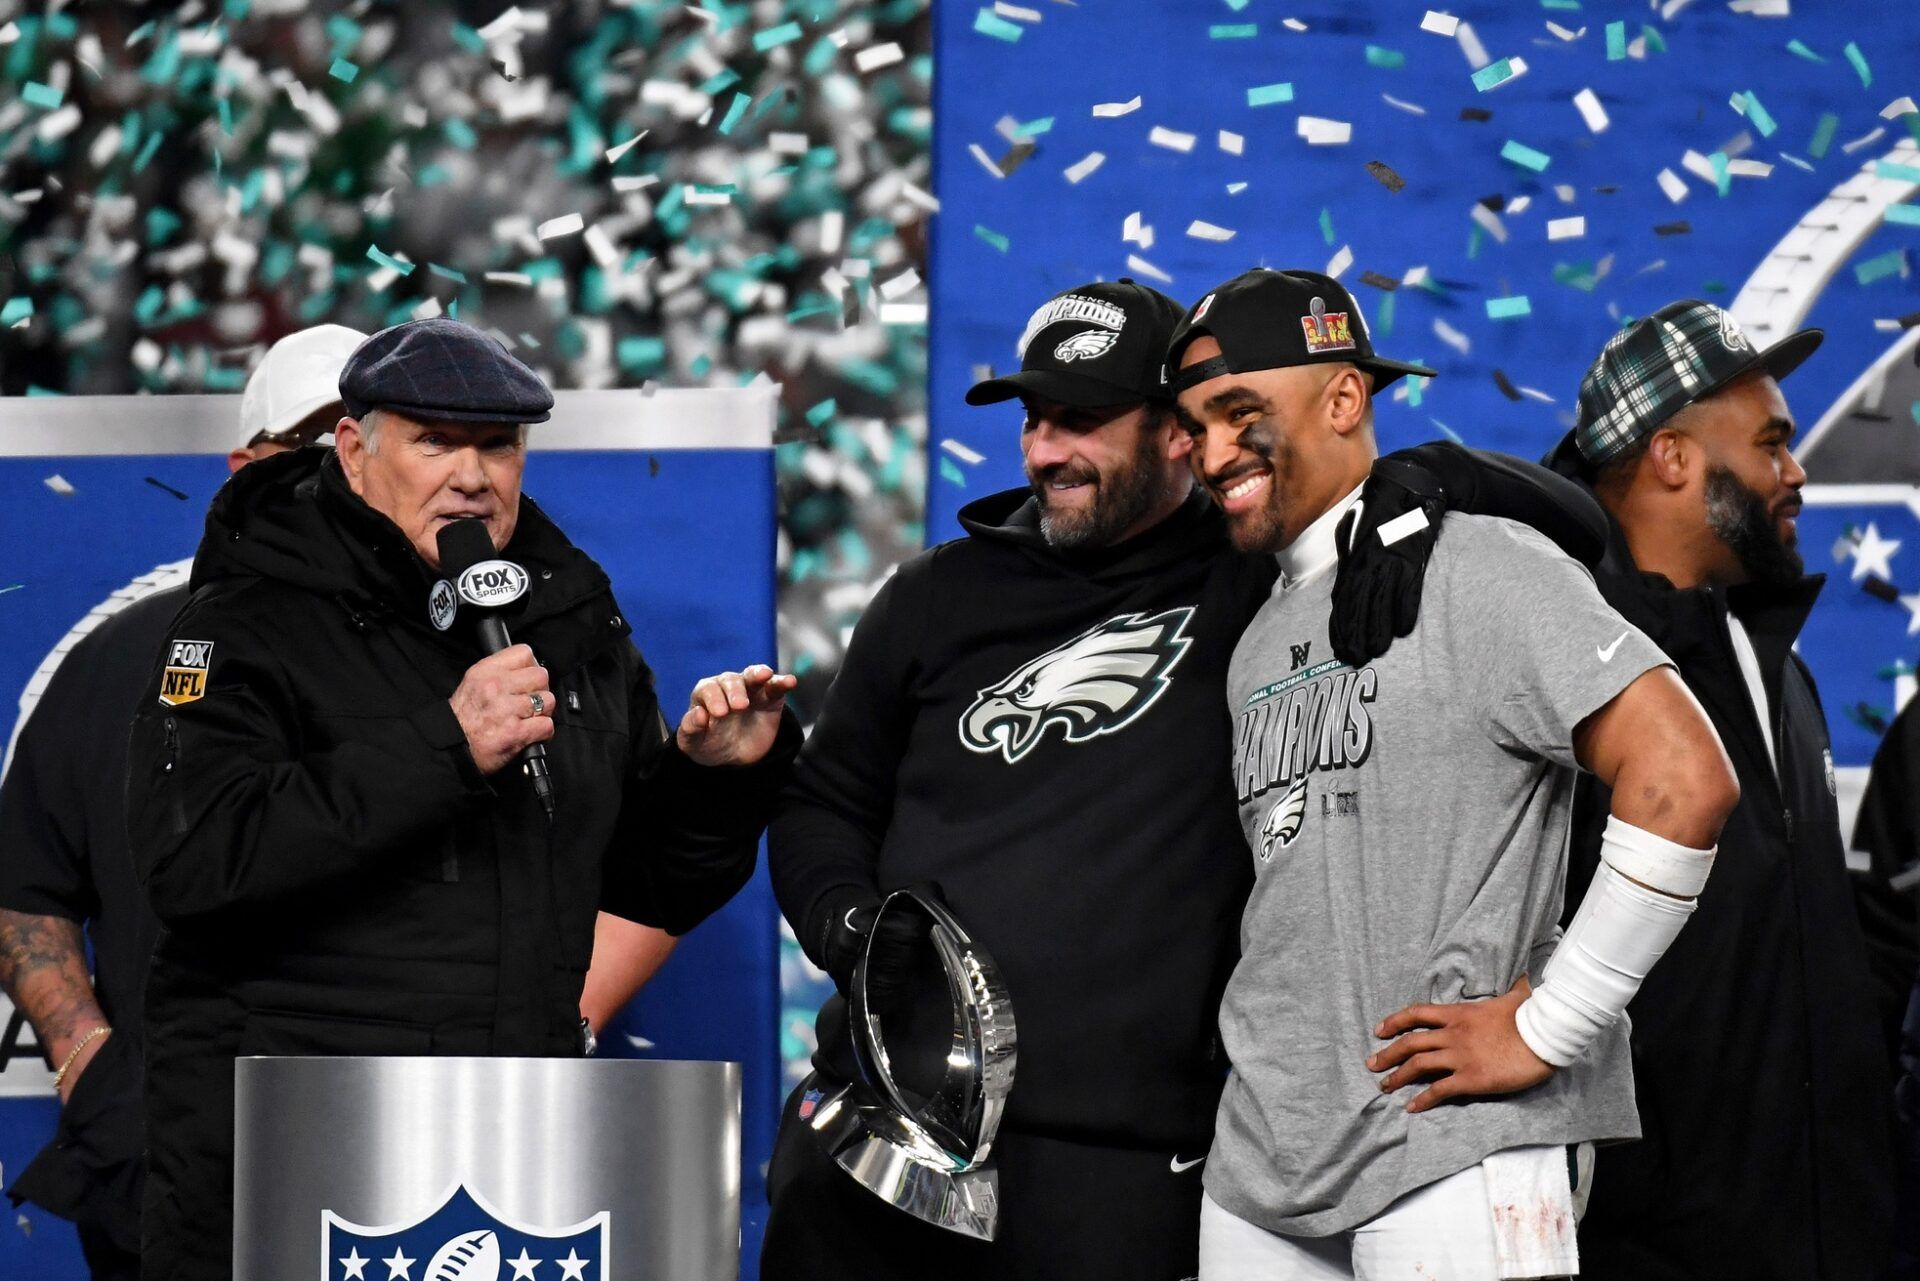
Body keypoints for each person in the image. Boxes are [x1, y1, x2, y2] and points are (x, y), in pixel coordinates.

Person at [762, 278, 1613, 1280]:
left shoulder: (1261, 577)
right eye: (1033, 421)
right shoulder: (934, 594)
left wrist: (1426, 476)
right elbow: (826, 802)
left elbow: (1579, 526)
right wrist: (859, 939)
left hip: (1114, 1175)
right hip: (881, 1139)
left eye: (1081, 420)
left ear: (1180, 432)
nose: (1043, 450)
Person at [123, 317, 799, 1281]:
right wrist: (447, 744)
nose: (474, 476)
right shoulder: (244, 619)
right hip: (284, 1170)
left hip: (512, 1154)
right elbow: (196, 859)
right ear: (354, 451)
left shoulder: (570, 620)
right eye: (435, 441)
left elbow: (645, 885)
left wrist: (716, 781)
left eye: (498, 445)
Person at [1170, 268, 1739, 1279]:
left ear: (1344, 398)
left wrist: (1551, 1024)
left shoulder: (1481, 565)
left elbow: (1683, 778)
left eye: (1238, 412)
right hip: (1258, 1162)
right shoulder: (1258, 637)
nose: (1211, 454)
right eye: (1194, 425)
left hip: (1453, 1145)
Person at [1533, 299, 1899, 1281]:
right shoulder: (1558, 670)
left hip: (1836, 1235)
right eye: (1773, 442)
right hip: (1657, 1246)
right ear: (1673, 459)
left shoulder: (1777, 667)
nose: (1797, 471)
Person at [0, 322, 365, 1281]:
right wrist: (87, 1060)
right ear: (244, 468)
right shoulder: (126, 657)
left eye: (368, 440)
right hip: (164, 1173)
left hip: (409, 1164)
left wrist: (536, 1049)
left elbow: (611, 869)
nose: (342, 469)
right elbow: (23, 878)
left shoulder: (486, 663)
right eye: (315, 443)